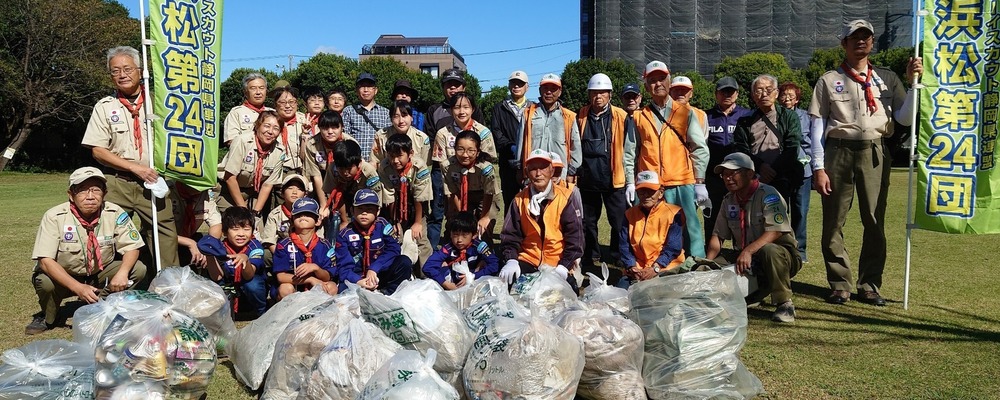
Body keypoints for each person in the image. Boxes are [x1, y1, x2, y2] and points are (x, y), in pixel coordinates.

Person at [809, 19, 922, 306]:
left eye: (866, 37)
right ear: (843, 43)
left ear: (872, 43)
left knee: (874, 219)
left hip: (875, 152)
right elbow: (818, 126)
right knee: (833, 220)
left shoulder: (887, 78)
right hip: (838, 151)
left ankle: (869, 283)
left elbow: (904, 119)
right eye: (854, 37)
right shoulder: (828, 79)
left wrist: (913, 85)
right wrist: (818, 167)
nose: (861, 41)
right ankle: (839, 283)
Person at [82, 46, 179, 270]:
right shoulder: (105, 107)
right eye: (115, 71)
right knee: (110, 236)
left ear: (140, 70)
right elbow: (97, 150)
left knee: (164, 234)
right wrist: (134, 167)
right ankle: (112, 286)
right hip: (118, 182)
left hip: (154, 181)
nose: (122, 75)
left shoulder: (161, 103)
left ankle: (169, 288)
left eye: (127, 69)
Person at [27, 167, 146, 334]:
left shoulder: (114, 212)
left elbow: (132, 246)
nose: (90, 196)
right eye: (82, 190)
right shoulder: (54, 216)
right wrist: (78, 287)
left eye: (96, 190)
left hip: (99, 272)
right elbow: (45, 261)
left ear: (104, 193)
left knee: (138, 269)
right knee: (44, 282)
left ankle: (102, 307)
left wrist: (122, 273)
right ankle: (48, 316)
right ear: (71, 194)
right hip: (66, 275)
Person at [706, 152, 801, 323]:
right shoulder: (728, 200)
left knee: (768, 250)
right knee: (711, 264)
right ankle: (710, 298)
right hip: (748, 258)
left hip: (781, 257)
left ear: (749, 174)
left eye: (732, 173)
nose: (727, 179)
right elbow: (718, 236)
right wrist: (707, 262)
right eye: (724, 175)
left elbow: (776, 231)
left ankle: (784, 303)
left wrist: (749, 251)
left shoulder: (768, 194)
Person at [633, 60, 710, 258]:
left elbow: (699, 147)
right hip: (651, 185)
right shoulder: (639, 117)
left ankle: (697, 265)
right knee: (655, 229)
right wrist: (629, 182)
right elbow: (630, 152)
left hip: (682, 181)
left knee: (691, 228)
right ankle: (661, 268)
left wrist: (699, 181)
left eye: (661, 79)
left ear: (669, 81)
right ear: (646, 85)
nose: (658, 84)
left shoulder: (685, 113)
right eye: (652, 80)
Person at [576, 73, 636, 271]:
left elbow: (629, 150)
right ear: (589, 94)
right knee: (587, 223)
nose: (598, 96)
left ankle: (618, 254)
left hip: (614, 179)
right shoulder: (581, 116)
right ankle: (590, 255)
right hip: (587, 180)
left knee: (619, 221)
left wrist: (629, 181)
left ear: (610, 95)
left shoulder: (621, 116)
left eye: (602, 92)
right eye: (594, 92)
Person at [498, 149, 584, 288]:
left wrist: (564, 266)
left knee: (566, 295)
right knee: (506, 287)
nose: (538, 174)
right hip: (528, 260)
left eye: (543, 168)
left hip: (557, 263)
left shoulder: (566, 197)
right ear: (526, 172)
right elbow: (510, 236)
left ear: (551, 171)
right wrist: (511, 260)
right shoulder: (519, 200)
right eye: (533, 169)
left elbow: (576, 240)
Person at [424, 68, 485, 249]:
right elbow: (431, 137)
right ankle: (436, 250)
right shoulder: (435, 110)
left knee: (466, 210)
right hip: (441, 169)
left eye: (456, 85)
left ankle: (474, 249)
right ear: (443, 88)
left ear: (463, 86)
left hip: (470, 171)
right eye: (448, 85)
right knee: (437, 211)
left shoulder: (474, 109)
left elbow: (480, 138)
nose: (453, 89)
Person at [733, 74, 803, 206]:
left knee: (778, 219)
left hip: (781, 177)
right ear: (753, 95)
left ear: (776, 93)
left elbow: (792, 146)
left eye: (769, 90)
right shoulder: (745, 121)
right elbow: (740, 148)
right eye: (759, 90)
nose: (764, 94)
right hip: (754, 178)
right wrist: (760, 167)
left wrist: (772, 171)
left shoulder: (788, 116)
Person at [334, 189, 412, 295]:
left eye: (369, 209)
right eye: (360, 209)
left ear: (378, 211)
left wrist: (374, 268)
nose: (364, 213)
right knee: (344, 294)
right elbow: (343, 267)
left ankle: (390, 294)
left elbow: (394, 249)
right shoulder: (344, 235)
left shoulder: (383, 225)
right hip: (357, 277)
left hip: (380, 273)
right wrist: (359, 281)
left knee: (404, 261)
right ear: (352, 211)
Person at [198, 206, 269, 318]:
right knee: (213, 286)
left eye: (246, 229)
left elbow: (249, 276)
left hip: (248, 283)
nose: (241, 234)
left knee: (253, 285)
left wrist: (245, 260)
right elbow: (217, 277)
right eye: (235, 229)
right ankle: (222, 315)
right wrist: (209, 255)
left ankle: (262, 313)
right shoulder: (219, 248)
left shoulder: (255, 247)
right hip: (229, 284)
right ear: (225, 232)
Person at [618, 170, 685, 288]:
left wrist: (656, 268)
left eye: (651, 191)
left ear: (660, 192)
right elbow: (624, 245)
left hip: (666, 269)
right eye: (641, 191)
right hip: (637, 270)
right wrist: (631, 266)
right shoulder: (629, 214)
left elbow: (673, 248)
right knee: (619, 296)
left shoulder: (674, 213)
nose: (646, 195)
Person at [704, 76, 753, 238]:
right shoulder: (706, 117)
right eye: (723, 91)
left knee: (742, 214)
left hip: (740, 176)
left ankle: (740, 249)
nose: (727, 94)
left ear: (737, 94)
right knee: (712, 214)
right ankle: (711, 252)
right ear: (715, 94)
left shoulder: (747, 115)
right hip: (714, 176)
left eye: (731, 91)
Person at [377, 134, 433, 267]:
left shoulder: (419, 167)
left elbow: (420, 196)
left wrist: (418, 222)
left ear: (410, 153)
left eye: (399, 156)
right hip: (395, 208)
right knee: (395, 238)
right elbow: (389, 196)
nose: (395, 160)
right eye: (391, 156)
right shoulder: (384, 167)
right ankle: (399, 273)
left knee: (420, 238)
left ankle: (427, 274)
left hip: (416, 207)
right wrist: (394, 221)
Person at [220, 110, 285, 218]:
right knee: (237, 223)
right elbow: (230, 178)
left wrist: (255, 212)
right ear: (257, 126)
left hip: (252, 192)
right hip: (227, 190)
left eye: (276, 128)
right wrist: (244, 210)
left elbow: (267, 185)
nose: (270, 131)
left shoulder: (279, 151)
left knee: (256, 229)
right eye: (267, 126)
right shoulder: (242, 141)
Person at [518, 73, 581, 183]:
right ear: (540, 90)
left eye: (553, 89)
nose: (549, 92)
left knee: (560, 200)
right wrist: (520, 170)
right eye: (545, 88)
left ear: (560, 92)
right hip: (534, 174)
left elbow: (575, 147)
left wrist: (572, 172)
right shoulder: (528, 114)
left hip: (560, 174)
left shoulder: (569, 116)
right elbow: (520, 145)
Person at [273, 197, 338, 299]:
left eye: (308, 214)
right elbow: (281, 277)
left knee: (332, 287)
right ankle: (292, 314)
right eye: (298, 215)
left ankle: (320, 313)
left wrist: (315, 268)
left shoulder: (325, 245)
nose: (303, 216)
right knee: (285, 288)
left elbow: (328, 276)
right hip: (294, 286)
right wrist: (310, 279)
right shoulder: (284, 245)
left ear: (317, 221)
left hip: (317, 287)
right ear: (292, 220)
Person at [320, 140, 385, 240]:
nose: (345, 173)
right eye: (341, 169)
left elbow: (376, 202)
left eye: (349, 168)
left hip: (366, 204)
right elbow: (336, 194)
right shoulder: (333, 169)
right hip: (344, 201)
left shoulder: (369, 172)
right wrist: (344, 221)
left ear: (358, 164)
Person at [443, 130, 499, 243]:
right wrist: (461, 215)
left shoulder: (485, 168)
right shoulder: (447, 166)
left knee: (484, 226)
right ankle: (453, 253)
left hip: (484, 197)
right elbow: (453, 192)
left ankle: (485, 252)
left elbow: (488, 193)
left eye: (471, 151)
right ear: (454, 150)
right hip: (459, 195)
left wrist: (484, 217)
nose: (465, 155)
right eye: (460, 149)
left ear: (478, 152)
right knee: (455, 223)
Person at [778, 81, 813, 261]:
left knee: (800, 211)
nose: (787, 99)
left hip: (803, 171)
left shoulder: (806, 117)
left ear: (797, 99)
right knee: (780, 211)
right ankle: (783, 247)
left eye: (791, 96)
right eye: (783, 95)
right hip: (781, 170)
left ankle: (800, 251)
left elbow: (811, 142)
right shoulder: (774, 116)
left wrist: (808, 160)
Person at [422, 211, 500, 290]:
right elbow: (428, 267)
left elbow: (495, 265)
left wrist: (473, 276)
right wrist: (445, 283)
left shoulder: (479, 246)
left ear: (474, 235)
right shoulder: (448, 248)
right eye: (455, 235)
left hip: (476, 282)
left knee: (484, 264)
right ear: (450, 234)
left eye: (464, 235)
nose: (459, 240)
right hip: (453, 285)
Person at [491, 70, 531, 211]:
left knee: (529, 201)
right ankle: (510, 233)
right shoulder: (499, 108)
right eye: (513, 83)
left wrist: (526, 150)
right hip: (508, 162)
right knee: (510, 201)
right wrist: (511, 147)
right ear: (509, 85)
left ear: (527, 86)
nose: (516, 86)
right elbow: (496, 132)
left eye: (520, 84)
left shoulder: (534, 107)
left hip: (529, 162)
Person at [302, 110, 358, 208]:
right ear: (319, 128)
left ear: (342, 127)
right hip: (322, 182)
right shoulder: (312, 144)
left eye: (335, 127)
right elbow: (316, 175)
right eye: (325, 128)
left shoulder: (350, 143)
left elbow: (355, 171)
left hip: (347, 181)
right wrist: (324, 204)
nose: (330, 132)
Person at [433, 92, 499, 171]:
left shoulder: (483, 133)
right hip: (451, 180)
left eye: (466, 107)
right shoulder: (442, 134)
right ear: (451, 110)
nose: (461, 112)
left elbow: (488, 162)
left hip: (478, 179)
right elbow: (442, 164)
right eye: (457, 107)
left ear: (473, 109)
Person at [261, 174, 318, 255]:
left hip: (308, 251)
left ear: (305, 194)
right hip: (284, 251)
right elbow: (269, 241)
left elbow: (319, 238)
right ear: (282, 193)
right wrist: (281, 256)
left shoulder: (312, 212)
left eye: (299, 189)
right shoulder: (275, 214)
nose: (294, 192)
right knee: (265, 255)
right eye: (290, 188)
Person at [170, 180, 222, 269]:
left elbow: (216, 225)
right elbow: (159, 232)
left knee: (218, 250)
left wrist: (208, 248)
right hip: (165, 241)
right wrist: (190, 243)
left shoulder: (205, 193)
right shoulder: (167, 191)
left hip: (188, 238)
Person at [341, 72, 391, 160]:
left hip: (378, 162)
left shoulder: (386, 113)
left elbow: (387, 138)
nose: (366, 90)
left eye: (369, 86)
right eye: (362, 86)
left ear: (375, 90)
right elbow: (345, 137)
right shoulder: (348, 111)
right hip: (355, 162)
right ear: (357, 90)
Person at [371, 100, 431, 166]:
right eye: (396, 116)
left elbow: (425, 165)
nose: (401, 121)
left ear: (411, 117)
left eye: (404, 115)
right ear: (391, 119)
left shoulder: (422, 138)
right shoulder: (381, 136)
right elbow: (375, 162)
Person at [223, 72, 270, 146]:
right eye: (253, 88)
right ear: (245, 92)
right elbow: (231, 141)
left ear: (266, 91)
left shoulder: (273, 113)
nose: (258, 92)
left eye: (261, 88)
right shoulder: (236, 112)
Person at [271, 85, 306, 176]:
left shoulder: (305, 121)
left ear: (297, 103)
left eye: (292, 102)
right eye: (282, 102)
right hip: (272, 171)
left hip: (299, 171)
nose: (288, 106)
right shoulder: (268, 121)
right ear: (275, 104)